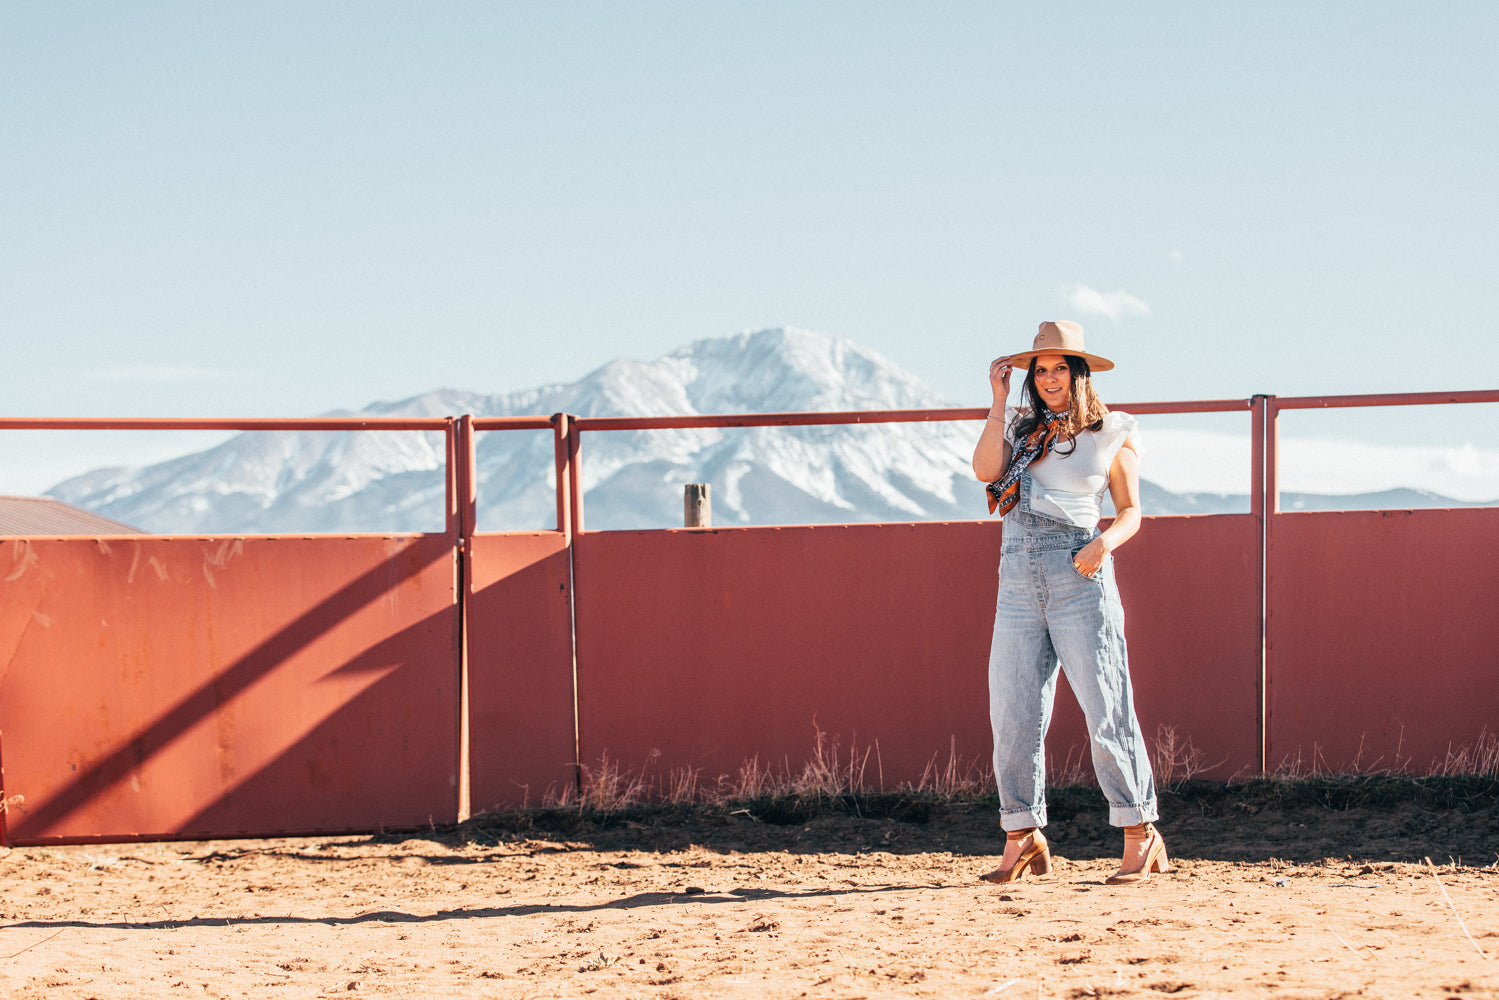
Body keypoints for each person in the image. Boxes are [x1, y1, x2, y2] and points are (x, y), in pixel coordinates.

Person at [970, 320, 1167, 886]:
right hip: (1016, 576)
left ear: (1078, 374)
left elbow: (1131, 511)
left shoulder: (1111, 432)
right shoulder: (1019, 424)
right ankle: (1022, 835)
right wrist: (998, 401)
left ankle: (1139, 832)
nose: (1050, 378)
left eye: (1061, 368)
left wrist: (1103, 544)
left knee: (1106, 705)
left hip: (1080, 572)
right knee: (1012, 710)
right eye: (1042, 369)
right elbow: (986, 471)